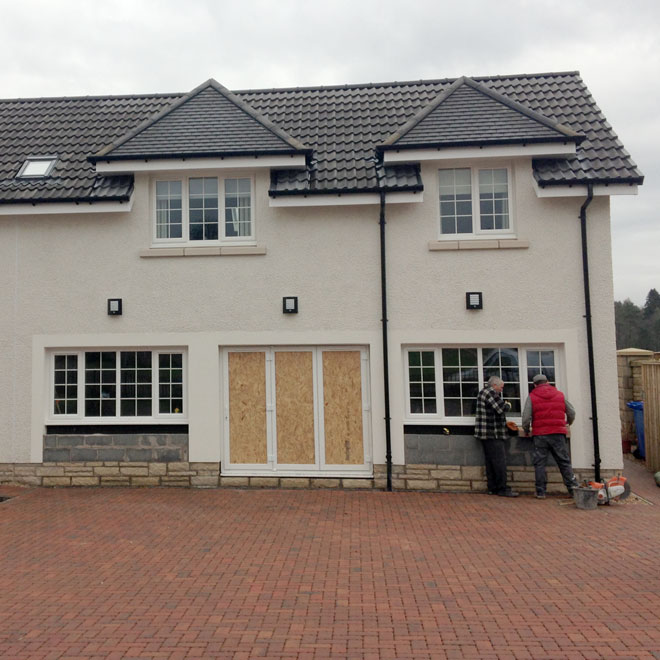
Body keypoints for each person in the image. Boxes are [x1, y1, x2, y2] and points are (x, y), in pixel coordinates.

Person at [522, 374, 579, 499]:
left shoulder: (532, 396)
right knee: (564, 461)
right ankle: (573, 489)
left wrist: (526, 430)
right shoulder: (559, 394)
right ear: (548, 382)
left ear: (535, 384)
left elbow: (526, 417)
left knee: (540, 463)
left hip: (540, 434)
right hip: (558, 433)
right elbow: (572, 412)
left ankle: (541, 492)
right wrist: (568, 422)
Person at [474, 376, 519, 497]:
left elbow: (492, 414)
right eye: (501, 387)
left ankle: (492, 487)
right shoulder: (490, 393)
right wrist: (509, 403)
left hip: (486, 434)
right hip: (492, 434)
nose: (502, 390)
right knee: (499, 462)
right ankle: (502, 488)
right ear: (494, 385)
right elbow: (501, 409)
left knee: (490, 462)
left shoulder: (484, 393)